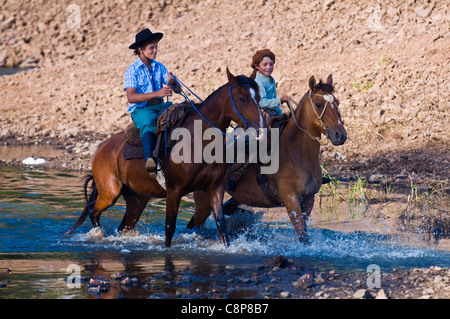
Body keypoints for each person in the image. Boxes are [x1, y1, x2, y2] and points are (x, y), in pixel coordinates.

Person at [124, 28, 181, 175]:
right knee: (149, 124)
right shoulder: (132, 71)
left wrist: (173, 82)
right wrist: (157, 93)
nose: (155, 50)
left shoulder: (159, 67)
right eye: (151, 48)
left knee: (182, 115)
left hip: (162, 106)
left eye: (156, 47)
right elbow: (131, 97)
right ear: (140, 49)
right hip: (142, 110)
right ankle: (150, 160)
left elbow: (178, 91)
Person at [250, 49, 289, 117]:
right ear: (257, 66)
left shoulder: (271, 80)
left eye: (271, 64)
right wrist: (280, 100)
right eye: (265, 65)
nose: (269, 67)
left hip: (274, 114)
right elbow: (262, 103)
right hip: (265, 117)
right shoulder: (258, 82)